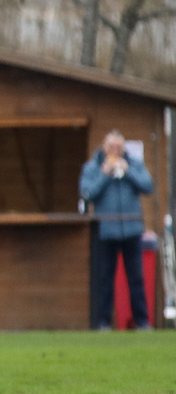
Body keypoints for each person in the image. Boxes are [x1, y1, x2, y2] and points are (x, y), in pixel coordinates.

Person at [79, 130, 154, 331]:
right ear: (104, 147)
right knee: (105, 278)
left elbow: (148, 186)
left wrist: (127, 171)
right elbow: (87, 193)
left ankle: (142, 322)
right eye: (112, 147)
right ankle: (103, 323)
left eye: (119, 148)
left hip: (131, 229)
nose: (116, 151)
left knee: (136, 278)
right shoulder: (93, 167)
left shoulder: (134, 164)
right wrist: (104, 175)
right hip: (106, 230)